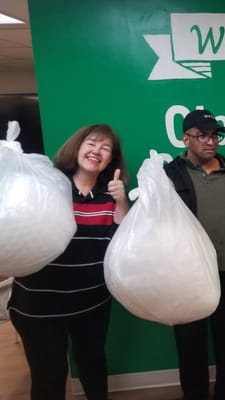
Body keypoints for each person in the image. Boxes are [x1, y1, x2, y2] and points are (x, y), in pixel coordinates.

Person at [8, 124, 129, 400]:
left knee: (94, 368)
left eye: (105, 148)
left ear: (111, 159)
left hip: (92, 304)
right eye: (92, 143)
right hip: (39, 307)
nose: (97, 150)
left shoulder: (109, 195)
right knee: (49, 376)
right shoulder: (48, 183)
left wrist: (121, 202)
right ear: (77, 146)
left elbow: (123, 244)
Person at [163, 109, 225, 400]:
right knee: (190, 349)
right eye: (202, 135)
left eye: (215, 135)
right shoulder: (169, 175)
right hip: (186, 276)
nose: (210, 141)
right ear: (185, 138)